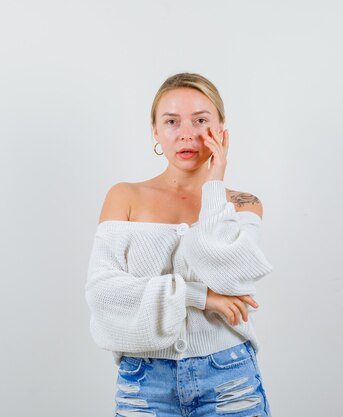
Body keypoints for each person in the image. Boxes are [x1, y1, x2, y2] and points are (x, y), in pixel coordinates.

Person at [85, 72, 274, 416]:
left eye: (201, 120)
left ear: (221, 130)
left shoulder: (243, 203)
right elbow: (103, 294)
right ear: (155, 131)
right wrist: (199, 297)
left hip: (229, 378)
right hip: (144, 382)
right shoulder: (124, 197)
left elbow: (231, 278)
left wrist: (214, 186)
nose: (187, 133)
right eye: (171, 121)